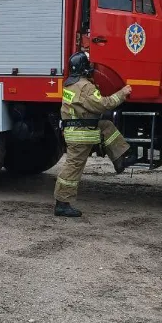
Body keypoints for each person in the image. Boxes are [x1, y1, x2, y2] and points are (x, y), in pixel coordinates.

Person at [53, 51, 137, 218]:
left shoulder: (70, 84)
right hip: (81, 133)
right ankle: (62, 204)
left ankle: (119, 159)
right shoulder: (85, 86)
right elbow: (102, 105)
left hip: (75, 130)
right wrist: (122, 93)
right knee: (73, 166)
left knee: (106, 126)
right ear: (85, 68)